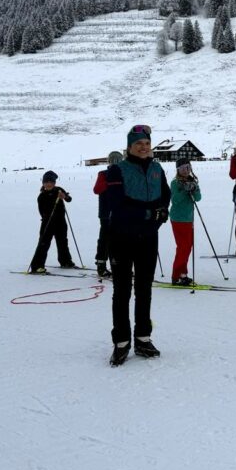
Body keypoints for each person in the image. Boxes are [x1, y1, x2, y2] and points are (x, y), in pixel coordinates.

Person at [106, 124, 171, 366]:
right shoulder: (117, 170)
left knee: (144, 288)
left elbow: (165, 195)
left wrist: (161, 214)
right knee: (122, 291)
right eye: (138, 144)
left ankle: (143, 338)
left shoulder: (156, 168)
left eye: (146, 143)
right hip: (121, 237)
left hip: (148, 237)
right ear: (129, 147)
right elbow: (116, 204)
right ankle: (121, 341)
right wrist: (149, 213)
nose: (143, 147)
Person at [29, 171, 75, 273]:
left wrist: (64, 196)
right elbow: (41, 212)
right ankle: (37, 266)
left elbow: (69, 199)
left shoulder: (59, 190)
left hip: (61, 222)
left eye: (51, 182)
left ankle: (65, 261)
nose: (49, 184)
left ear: (54, 183)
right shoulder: (41, 196)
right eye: (46, 182)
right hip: (47, 223)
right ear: (43, 183)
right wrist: (47, 216)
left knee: (63, 242)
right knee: (43, 244)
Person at [169, 158, 202, 285]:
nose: (185, 170)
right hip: (178, 219)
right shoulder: (175, 183)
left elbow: (198, 198)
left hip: (189, 219)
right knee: (183, 247)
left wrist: (194, 189)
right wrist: (184, 190)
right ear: (178, 170)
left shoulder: (192, 181)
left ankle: (183, 274)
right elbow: (175, 200)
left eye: (188, 167)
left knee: (187, 247)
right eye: (182, 168)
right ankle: (176, 275)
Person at [92, 151, 123, 277]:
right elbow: (97, 189)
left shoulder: (124, 173)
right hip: (106, 213)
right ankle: (101, 265)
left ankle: (118, 265)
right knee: (105, 239)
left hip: (121, 212)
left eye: (118, 160)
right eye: (113, 160)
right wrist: (110, 182)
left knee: (119, 240)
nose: (115, 162)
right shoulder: (103, 174)